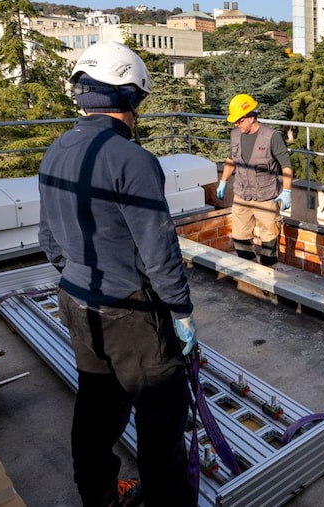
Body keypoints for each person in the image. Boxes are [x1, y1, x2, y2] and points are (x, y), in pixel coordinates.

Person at [37, 41, 196, 507]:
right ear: (132, 97)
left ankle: (101, 498)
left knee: (96, 408)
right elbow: (159, 249)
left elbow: (49, 239)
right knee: (161, 423)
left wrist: (82, 277)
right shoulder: (133, 160)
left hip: (77, 300)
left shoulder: (56, 150)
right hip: (131, 314)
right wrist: (180, 309)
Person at [217, 93, 293, 266]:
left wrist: (287, 191)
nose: (236, 124)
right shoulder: (235, 135)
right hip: (242, 195)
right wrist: (223, 181)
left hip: (266, 197)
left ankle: (268, 276)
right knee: (239, 239)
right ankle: (250, 271)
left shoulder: (271, 137)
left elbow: (286, 166)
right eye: (235, 121)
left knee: (269, 241)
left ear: (251, 117)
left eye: (239, 120)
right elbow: (231, 160)